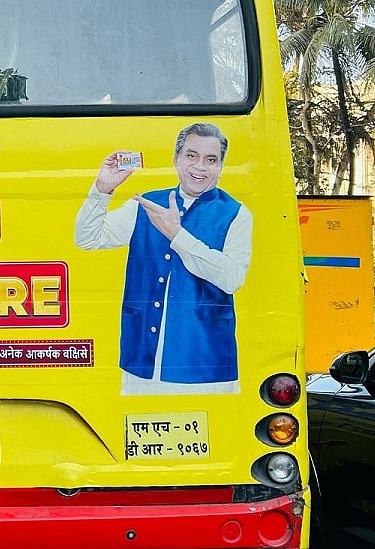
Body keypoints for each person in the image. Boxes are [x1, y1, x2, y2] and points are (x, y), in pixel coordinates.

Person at [74, 122, 252, 395]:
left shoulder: (237, 214)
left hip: (206, 368)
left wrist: (177, 236)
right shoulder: (146, 204)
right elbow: (87, 238)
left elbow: (231, 278)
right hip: (141, 364)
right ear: (176, 159)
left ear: (220, 167)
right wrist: (102, 190)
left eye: (211, 160)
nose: (200, 167)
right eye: (191, 155)